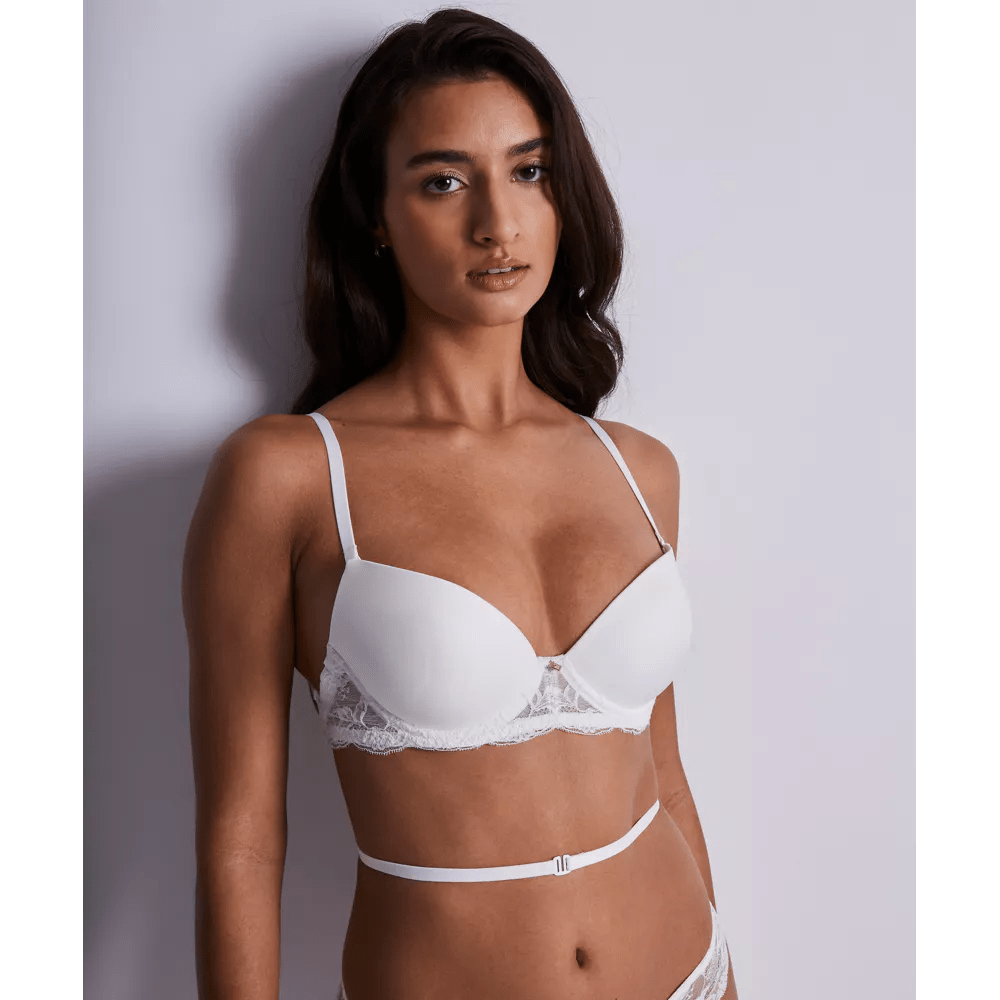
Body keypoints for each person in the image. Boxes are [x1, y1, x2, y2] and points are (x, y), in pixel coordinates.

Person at [184, 8, 737, 999]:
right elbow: (241, 840)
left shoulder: (638, 468)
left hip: (688, 973)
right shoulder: (288, 476)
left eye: (529, 171)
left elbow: (663, 775)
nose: (498, 222)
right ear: (375, 216)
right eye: (443, 180)